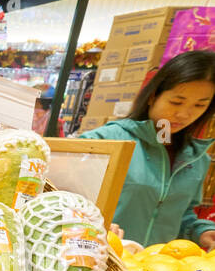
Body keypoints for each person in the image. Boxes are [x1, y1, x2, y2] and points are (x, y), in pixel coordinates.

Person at [78, 50, 215, 249]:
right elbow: (64, 197)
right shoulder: (108, 141)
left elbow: (180, 214)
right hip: (99, 261)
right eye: (177, 102)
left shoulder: (196, 159)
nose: (185, 114)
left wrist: (201, 231)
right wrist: (92, 224)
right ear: (152, 96)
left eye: (199, 105)